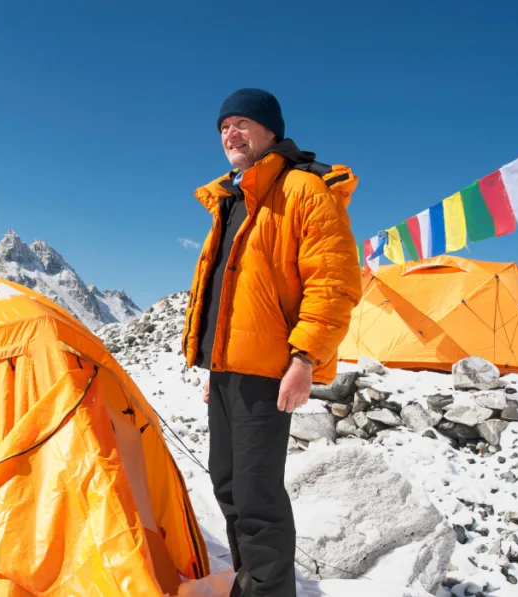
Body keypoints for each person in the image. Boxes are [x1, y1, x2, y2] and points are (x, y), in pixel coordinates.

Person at [181, 88, 362, 596]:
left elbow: (334, 282)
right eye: (223, 127)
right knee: (228, 486)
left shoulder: (303, 189)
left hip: (270, 372)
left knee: (257, 495)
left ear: (270, 132)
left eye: (241, 124)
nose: (230, 134)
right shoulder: (234, 200)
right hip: (229, 371)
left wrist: (305, 358)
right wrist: (216, 362)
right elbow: (227, 290)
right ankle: (250, 582)